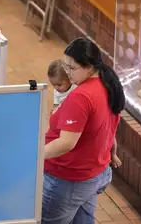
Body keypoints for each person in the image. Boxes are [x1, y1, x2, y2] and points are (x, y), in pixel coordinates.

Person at [43, 37, 126, 224]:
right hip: (94, 174)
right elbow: (108, 129)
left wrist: (33, 155)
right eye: (65, 67)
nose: (68, 73)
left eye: (72, 68)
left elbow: (66, 143)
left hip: (68, 179)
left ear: (89, 67)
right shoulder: (109, 84)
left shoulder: (81, 96)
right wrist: (112, 153)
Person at [47, 59, 122, 168]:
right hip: (69, 116)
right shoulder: (58, 90)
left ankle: (113, 154)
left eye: (59, 85)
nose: (56, 88)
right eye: (53, 85)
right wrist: (55, 112)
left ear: (70, 79)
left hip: (82, 118)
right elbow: (56, 104)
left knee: (110, 137)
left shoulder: (77, 89)